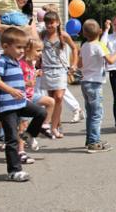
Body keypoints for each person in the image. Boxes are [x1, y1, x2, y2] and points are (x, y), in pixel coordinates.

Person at [0, 27, 46, 181]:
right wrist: (10, 90)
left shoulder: (16, 61)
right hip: (8, 107)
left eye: (24, 47)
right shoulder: (2, 60)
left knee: (41, 112)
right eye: (19, 47)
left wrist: (27, 82)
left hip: (20, 103)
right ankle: (14, 171)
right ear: (6, 46)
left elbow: (16, 78)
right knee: (12, 139)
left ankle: (28, 135)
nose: (22, 50)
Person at [78, 19, 116, 153]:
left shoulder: (84, 46)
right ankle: (94, 142)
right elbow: (110, 60)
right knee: (97, 114)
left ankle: (90, 139)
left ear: (84, 33)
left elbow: (79, 64)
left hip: (85, 82)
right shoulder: (99, 45)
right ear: (100, 31)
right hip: (94, 83)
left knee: (90, 113)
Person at [40, 11, 79, 139]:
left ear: (57, 22)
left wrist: (74, 64)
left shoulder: (63, 35)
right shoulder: (43, 34)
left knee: (59, 97)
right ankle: (56, 125)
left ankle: (53, 127)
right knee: (51, 100)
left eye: (51, 22)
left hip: (60, 69)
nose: (49, 25)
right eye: (47, 23)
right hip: (47, 70)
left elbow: (74, 48)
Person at [19, 39, 55, 141]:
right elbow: (15, 82)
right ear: (28, 50)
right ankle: (20, 149)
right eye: (38, 50)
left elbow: (31, 78)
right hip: (23, 98)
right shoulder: (21, 63)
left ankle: (44, 126)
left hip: (31, 95)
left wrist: (36, 73)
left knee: (50, 102)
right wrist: (26, 83)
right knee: (23, 125)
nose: (40, 53)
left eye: (41, 51)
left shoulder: (31, 63)